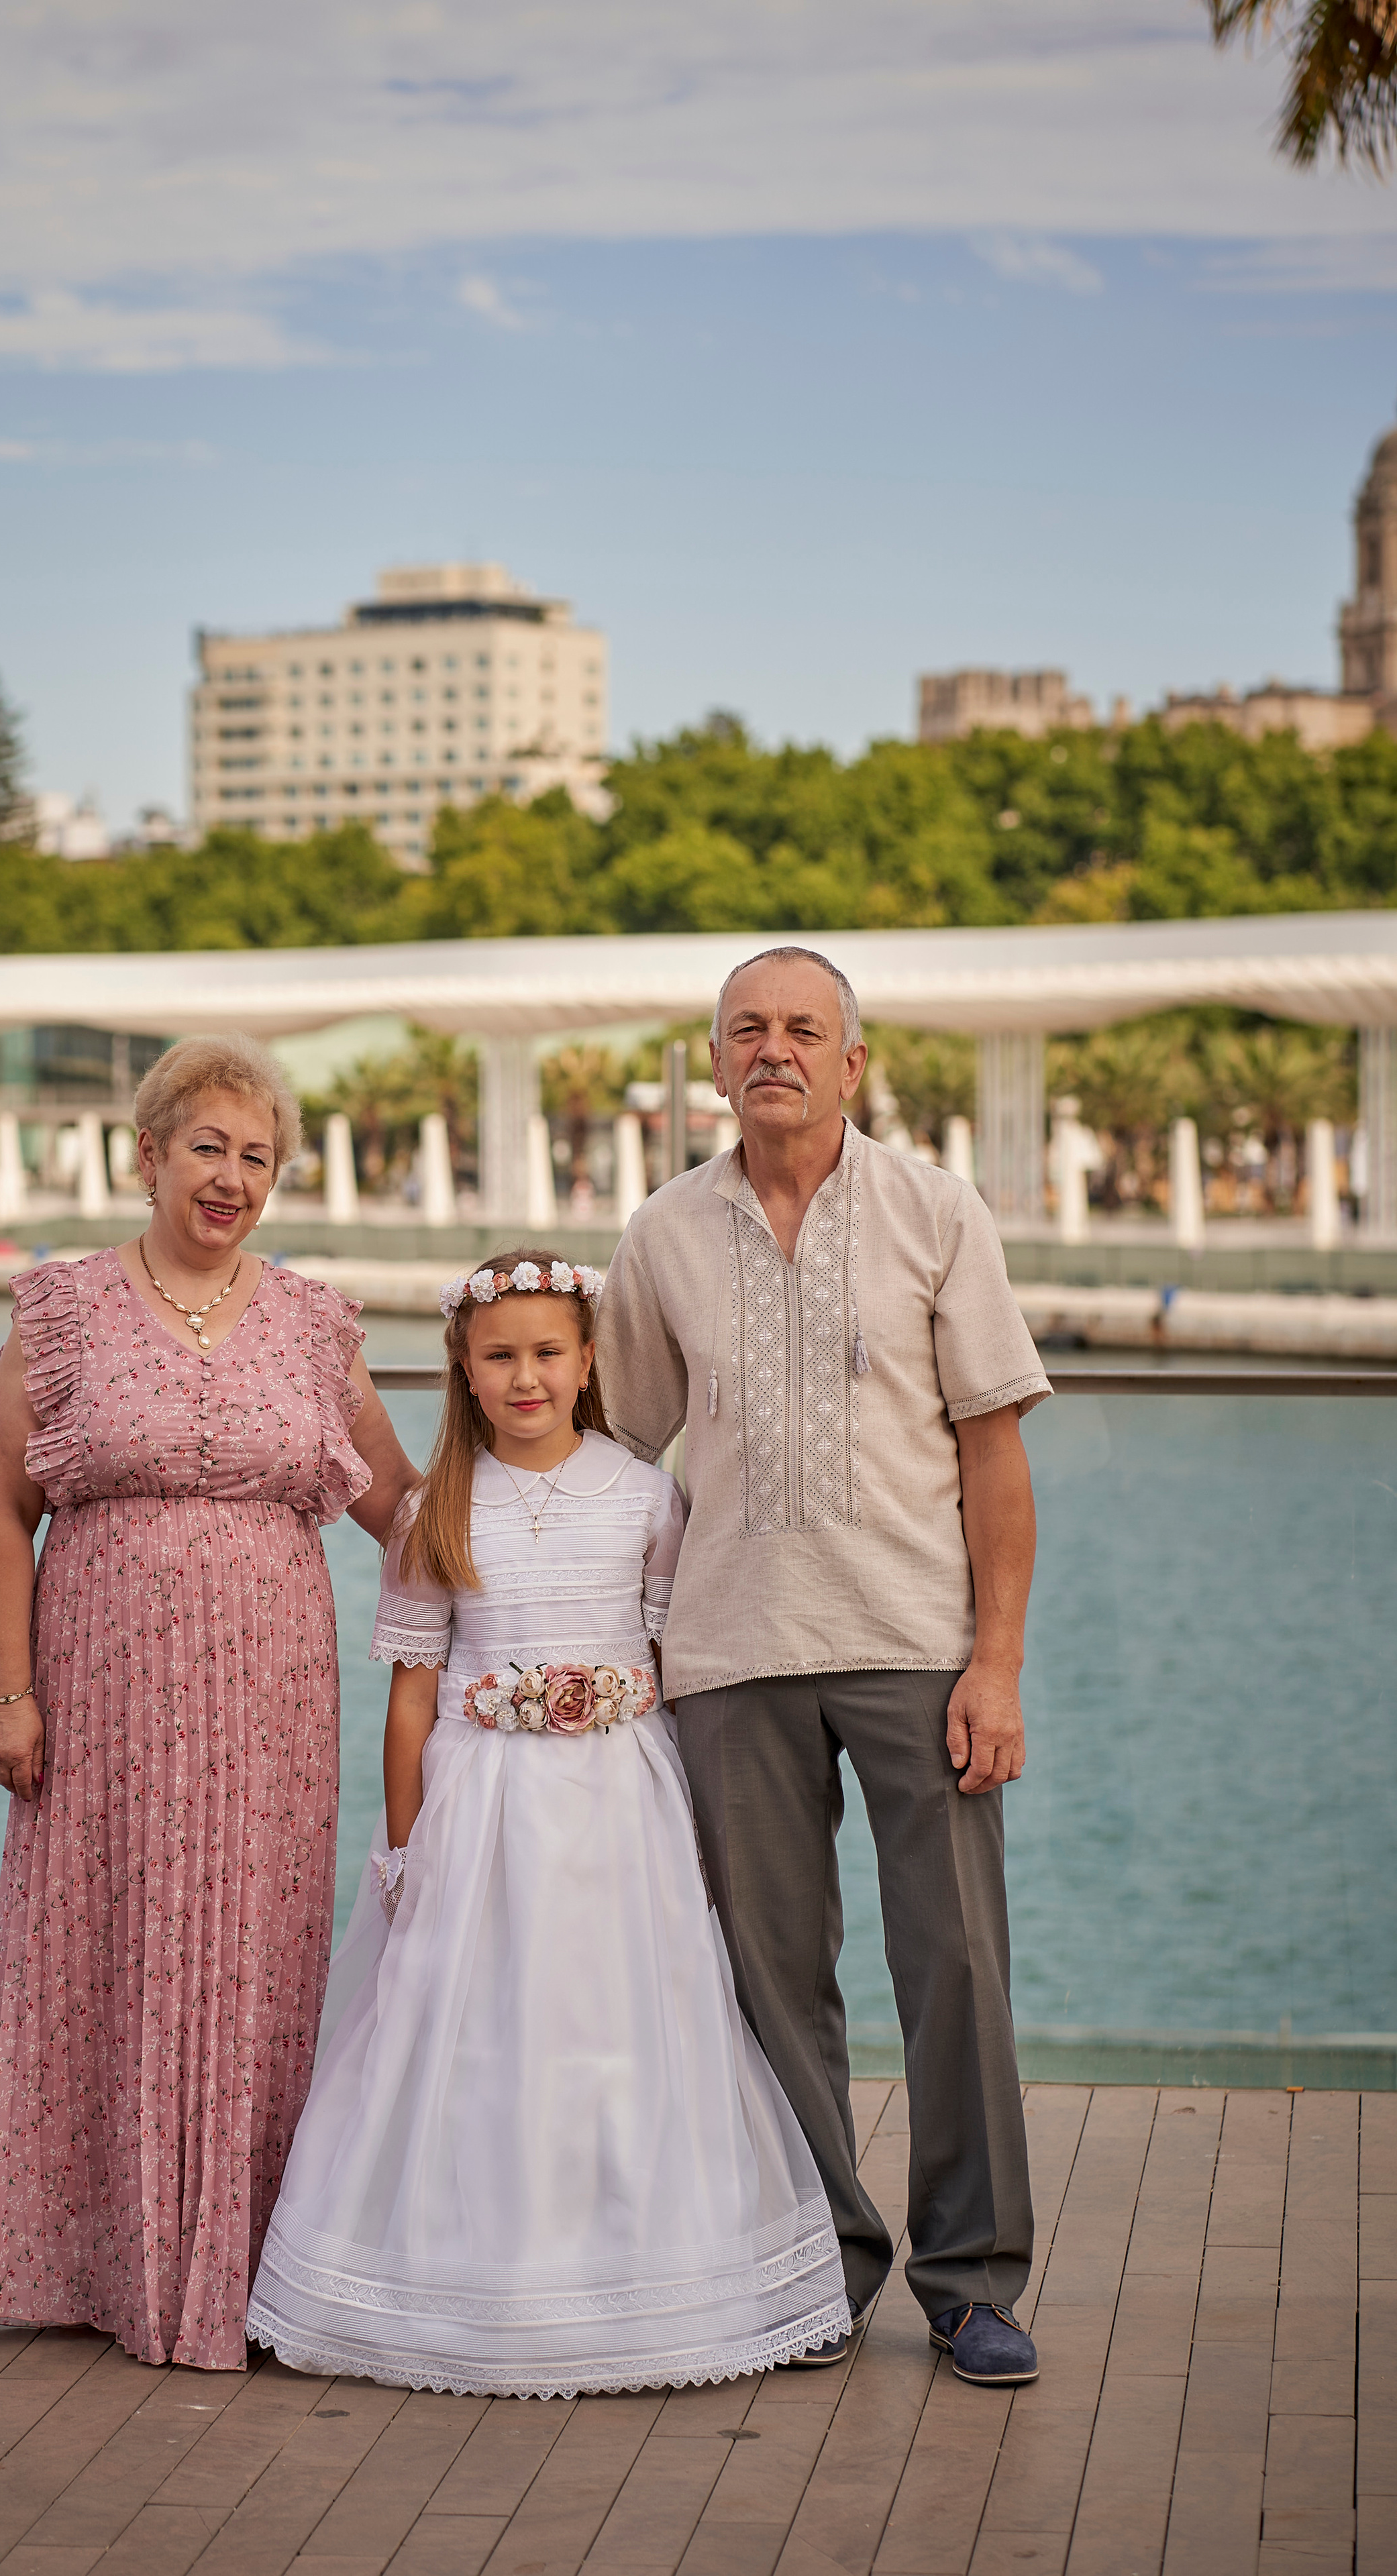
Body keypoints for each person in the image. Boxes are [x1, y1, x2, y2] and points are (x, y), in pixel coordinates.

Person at [246, 1251, 851, 2398]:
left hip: (622, 1800)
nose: (526, 1378)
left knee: (624, 2015)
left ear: (586, 1365)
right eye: (500, 1358)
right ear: (465, 1374)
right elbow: (414, 1695)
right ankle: (459, 2284)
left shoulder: (642, 1493)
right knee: (475, 2021)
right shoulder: (437, 1511)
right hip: (485, 1808)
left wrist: (697, 1830)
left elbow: (672, 1665)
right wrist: (407, 1845)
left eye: (548, 1354)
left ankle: (647, 2271)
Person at [592, 947, 1051, 2389]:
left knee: (955, 1966)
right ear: (713, 1063)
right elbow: (616, 1454)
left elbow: (992, 1453)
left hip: (917, 1647)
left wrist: (996, 1663)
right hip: (725, 1652)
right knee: (769, 1976)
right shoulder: (659, 1234)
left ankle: (969, 2278)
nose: (772, 1049)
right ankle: (815, 2266)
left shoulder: (933, 1211)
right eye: (746, 1030)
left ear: (852, 1064)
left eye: (803, 1029)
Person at [0, 1035, 416, 2371]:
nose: (231, 1177)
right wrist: (6, 1693)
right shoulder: (64, 1309)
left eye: (257, 1157)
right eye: (206, 1146)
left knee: (255, 1958)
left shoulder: (316, 1323)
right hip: (101, 1689)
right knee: (104, 1947)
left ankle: (247, 2259)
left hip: (269, 1693)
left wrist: (574, 1528)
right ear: (146, 1154)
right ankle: (96, 2260)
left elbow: (402, 1508)